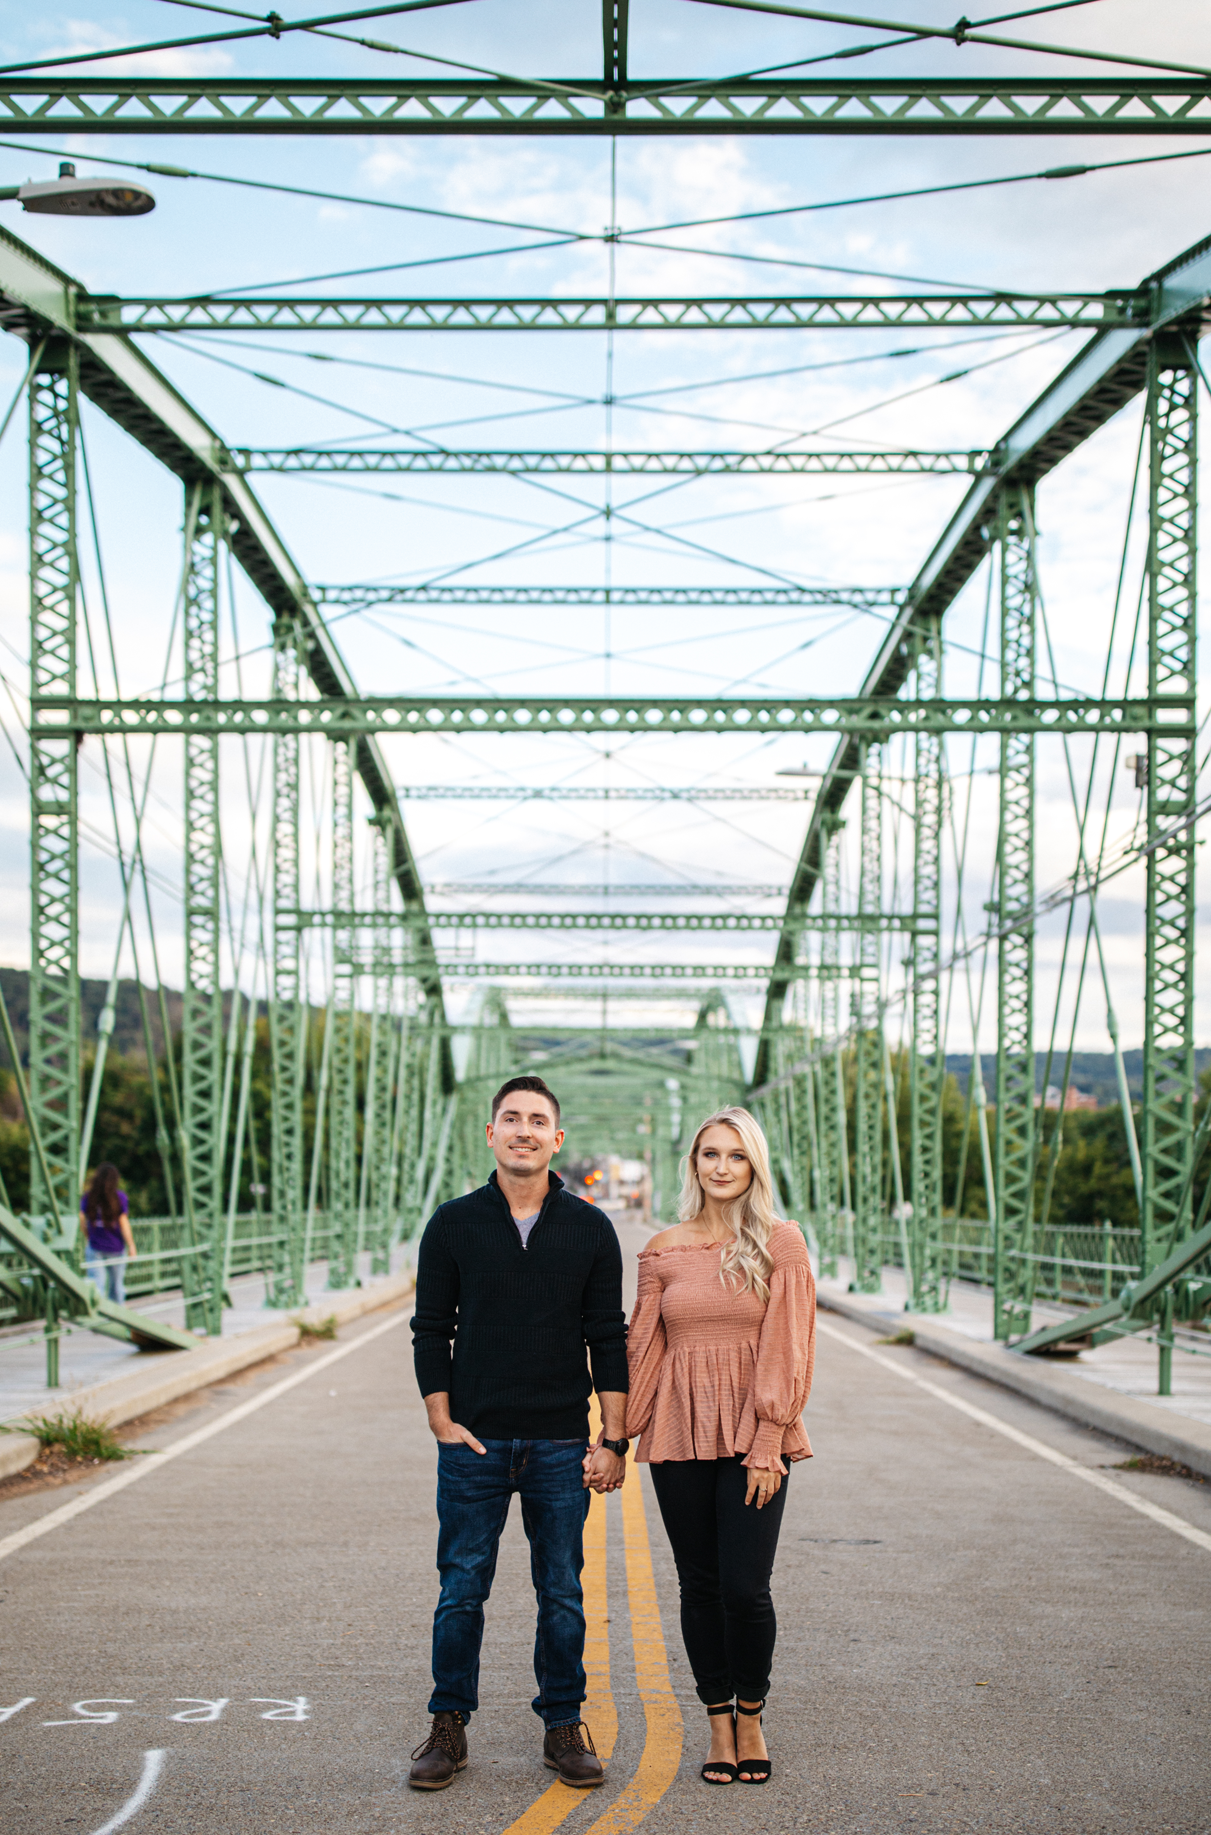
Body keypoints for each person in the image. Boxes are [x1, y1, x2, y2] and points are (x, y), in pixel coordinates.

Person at [407, 1075, 630, 1793]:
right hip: (475, 1443)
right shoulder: (453, 1222)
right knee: (460, 1587)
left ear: (556, 1139)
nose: (524, 1129)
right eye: (511, 1118)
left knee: (561, 1589)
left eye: (538, 1120)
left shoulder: (590, 1227)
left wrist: (613, 1437)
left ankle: (562, 1724)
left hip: (562, 1442)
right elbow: (430, 1328)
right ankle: (448, 1724)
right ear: (491, 1133)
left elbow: (607, 1336)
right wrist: (440, 1417)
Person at [626, 1106, 815, 1788]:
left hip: (752, 1435)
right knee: (699, 1585)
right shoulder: (663, 1247)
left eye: (735, 1155)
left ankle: (752, 1711)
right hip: (678, 1430)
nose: (721, 1166)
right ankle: (716, 1718)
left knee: (745, 1586)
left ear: (753, 1165)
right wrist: (615, 1436)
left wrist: (769, 1439)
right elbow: (643, 1348)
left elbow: (790, 1345)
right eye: (709, 1153)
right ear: (694, 1164)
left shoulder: (780, 1242)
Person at [80, 1162, 137, 1305]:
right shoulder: (119, 1197)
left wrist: (88, 1236)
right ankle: (118, 1319)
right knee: (116, 1287)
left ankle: (97, 1316)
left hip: (95, 1246)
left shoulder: (89, 1197)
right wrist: (131, 1245)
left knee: (96, 1285)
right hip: (116, 1247)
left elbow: (82, 1218)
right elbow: (123, 1222)